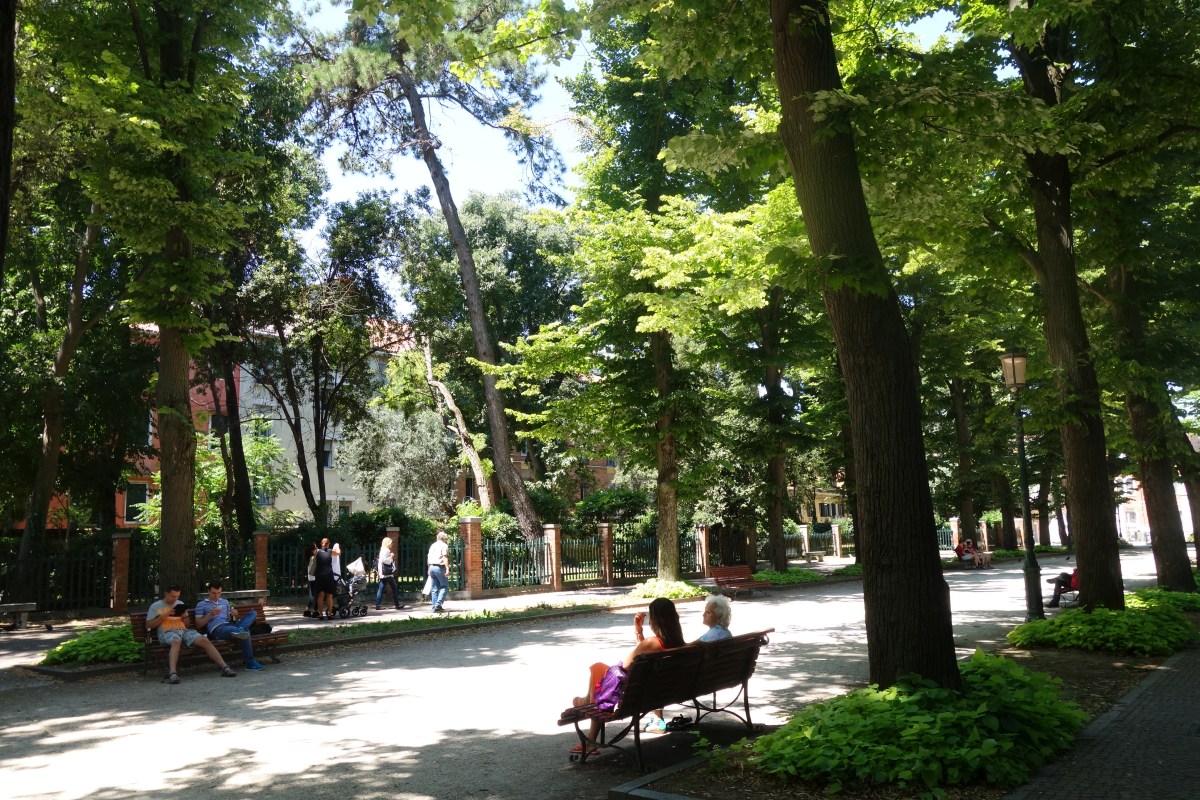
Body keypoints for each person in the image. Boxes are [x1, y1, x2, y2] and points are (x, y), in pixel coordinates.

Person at [569, 598, 686, 755]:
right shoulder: (680, 644)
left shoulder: (652, 643)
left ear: (655, 620)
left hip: (637, 696)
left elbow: (626, 664)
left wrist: (639, 634)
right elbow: (645, 652)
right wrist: (639, 631)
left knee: (598, 668)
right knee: (601, 672)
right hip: (661, 692)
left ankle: (590, 736)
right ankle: (585, 700)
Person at [644, 594, 733, 733]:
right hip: (714, 678)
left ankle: (657, 720)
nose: (703, 614)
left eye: (708, 612)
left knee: (658, 675)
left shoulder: (713, 636)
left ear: (719, 617)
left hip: (691, 683)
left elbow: (684, 649)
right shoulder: (724, 633)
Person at [146, 584, 237, 684]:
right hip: (167, 632)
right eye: (173, 596)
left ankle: (225, 668)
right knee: (176, 640)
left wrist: (185, 617)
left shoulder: (180, 603)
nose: (175, 599)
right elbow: (148, 625)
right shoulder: (156, 606)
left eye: (177, 596)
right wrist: (162, 617)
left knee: (204, 640)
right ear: (166, 594)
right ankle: (173, 673)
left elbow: (187, 624)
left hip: (183, 630)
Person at [194, 581, 266, 671]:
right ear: (208, 591)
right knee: (245, 632)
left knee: (253, 613)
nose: (216, 596)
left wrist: (234, 614)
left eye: (219, 593)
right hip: (217, 628)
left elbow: (233, 618)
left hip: (230, 625)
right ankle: (250, 662)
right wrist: (211, 614)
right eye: (214, 593)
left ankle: (241, 629)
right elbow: (198, 625)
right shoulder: (201, 605)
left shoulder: (225, 602)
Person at [375, 536, 406, 610]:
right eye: (391, 543)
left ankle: (378, 605)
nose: (392, 544)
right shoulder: (386, 550)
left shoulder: (383, 550)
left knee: (381, 588)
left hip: (383, 572)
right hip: (387, 573)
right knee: (394, 588)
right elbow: (384, 560)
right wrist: (391, 556)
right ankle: (397, 604)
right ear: (387, 543)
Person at [311, 537, 337, 620]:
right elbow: (338, 553)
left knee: (320, 595)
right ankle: (330, 614)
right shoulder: (331, 551)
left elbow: (315, 560)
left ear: (321, 543)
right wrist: (337, 546)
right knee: (329, 595)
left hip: (320, 574)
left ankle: (321, 614)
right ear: (328, 544)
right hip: (329, 574)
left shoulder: (317, 552)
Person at [427, 530, 450, 613]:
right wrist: (447, 568)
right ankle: (438, 604)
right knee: (444, 586)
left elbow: (428, 558)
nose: (446, 540)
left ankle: (434, 607)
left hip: (432, 567)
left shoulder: (432, 545)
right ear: (443, 538)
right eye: (446, 538)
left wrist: (428, 568)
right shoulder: (444, 545)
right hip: (439, 567)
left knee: (434, 588)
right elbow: (445, 557)